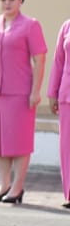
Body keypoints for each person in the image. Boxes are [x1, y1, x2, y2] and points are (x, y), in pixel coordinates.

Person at [0, 0, 46, 204]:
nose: (7, 3)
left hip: (20, 93)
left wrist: (35, 91)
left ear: (20, 1)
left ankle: (17, 187)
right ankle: (3, 184)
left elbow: (39, 60)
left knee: (19, 141)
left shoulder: (30, 25)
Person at [51, 16, 70, 210]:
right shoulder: (66, 26)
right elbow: (58, 61)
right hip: (67, 95)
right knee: (67, 147)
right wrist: (52, 92)